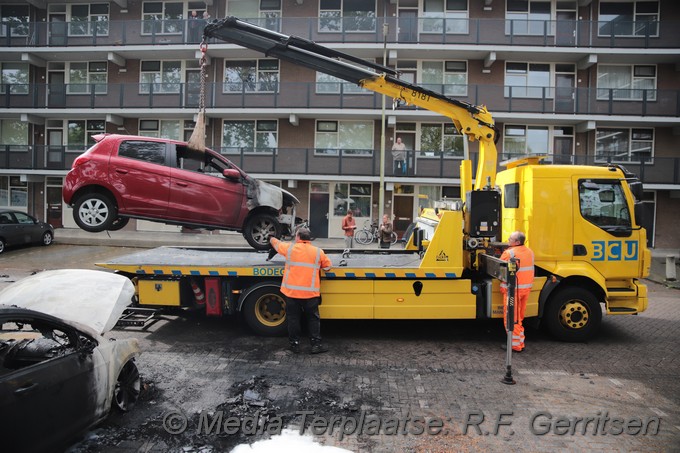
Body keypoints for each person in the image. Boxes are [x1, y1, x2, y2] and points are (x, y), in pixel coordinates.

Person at [270, 227, 332, 354]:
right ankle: (315, 345)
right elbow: (328, 267)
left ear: (298, 237)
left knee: (293, 319)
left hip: (292, 293)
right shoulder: (318, 252)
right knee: (313, 319)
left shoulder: (290, 248)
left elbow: (277, 244)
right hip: (310, 294)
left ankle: (295, 345)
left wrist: (271, 237)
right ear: (309, 239)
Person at [500, 231, 534, 353]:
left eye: (511, 239)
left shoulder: (509, 253)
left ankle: (515, 346)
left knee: (511, 318)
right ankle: (520, 342)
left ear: (517, 242)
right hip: (525, 289)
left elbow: (500, 270)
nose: (508, 240)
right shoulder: (530, 252)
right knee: (519, 318)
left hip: (513, 291)